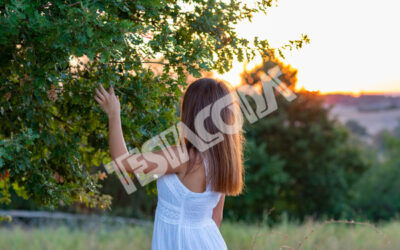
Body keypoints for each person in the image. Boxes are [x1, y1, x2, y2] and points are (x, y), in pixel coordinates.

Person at [94, 78, 244, 249]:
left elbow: (123, 162)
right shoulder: (223, 161)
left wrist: (114, 114)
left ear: (192, 111)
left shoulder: (182, 157)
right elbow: (216, 218)